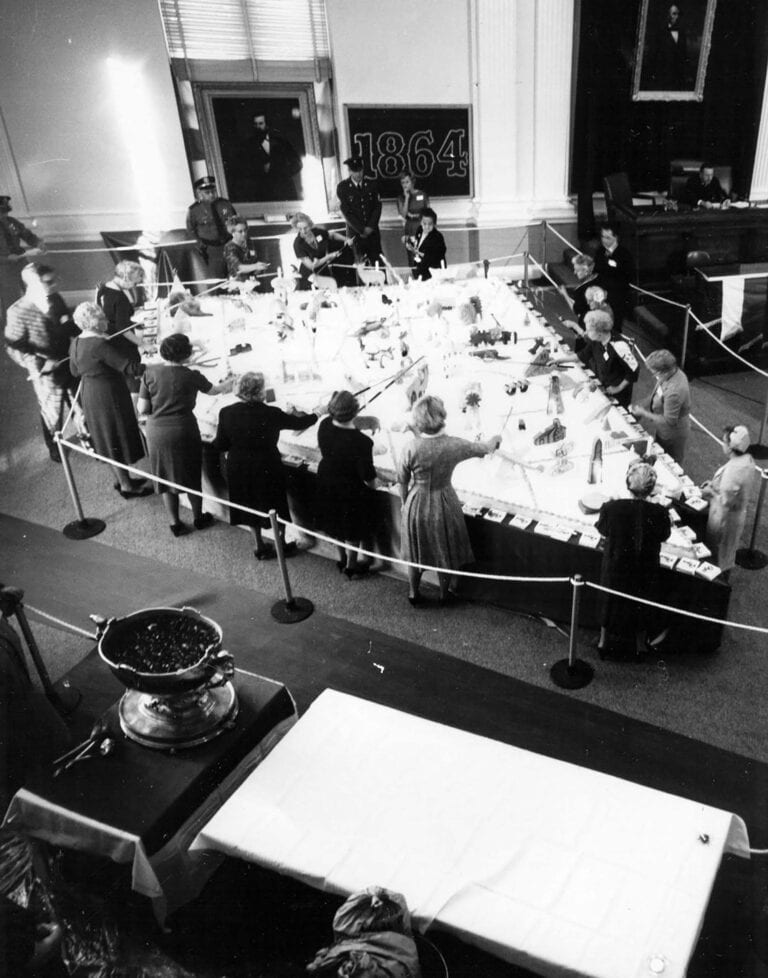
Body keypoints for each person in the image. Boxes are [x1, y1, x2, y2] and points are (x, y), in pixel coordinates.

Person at [398, 394, 501, 606]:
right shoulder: (454, 445)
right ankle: (445, 594)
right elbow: (484, 448)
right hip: (444, 501)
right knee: (444, 551)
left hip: (416, 502)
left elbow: (402, 480)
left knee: (416, 551)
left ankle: (413, 593)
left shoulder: (410, 447)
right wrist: (495, 440)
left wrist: (404, 503)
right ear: (442, 417)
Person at [213, 371, 318, 560]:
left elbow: (221, 444)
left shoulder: (226, 412)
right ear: (260, 391)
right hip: (267, 464)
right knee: (275, 504)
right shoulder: (271, 413)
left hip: (239, 466)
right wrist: (318, 412)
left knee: (249, 504)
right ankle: (281, 543)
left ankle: (258, 545)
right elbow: (299, 422)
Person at [137, 332, 232, 537]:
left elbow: (142, 409)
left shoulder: (150, 373)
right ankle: (198, 517)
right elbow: (215, 390)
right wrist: (230, 383)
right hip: (184, 429)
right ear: (187, 354)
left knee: (164, 479)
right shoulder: (191, 376)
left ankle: (175, 523)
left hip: (157, 432)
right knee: (191, 476)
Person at [69, 302, 151, 497]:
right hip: (109, 394)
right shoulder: (99, 344)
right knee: (116, 435)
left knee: (107, 437)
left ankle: (121, 479)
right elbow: (129, 368)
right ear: (93, 323)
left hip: (90, 393)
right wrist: (154, 364)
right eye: (102, 318)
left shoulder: (77, 342)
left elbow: (74, 371)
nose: (106, 320)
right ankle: (127, 486)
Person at [4, 263, 81, 462]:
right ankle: (54, 447)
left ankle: (88, 438)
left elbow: (68, 324)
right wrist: (42, 362)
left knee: (79, 402)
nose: (54, 285)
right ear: (32, 284)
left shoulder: (55, 298)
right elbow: (14, 345)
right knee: (52, 410)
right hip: (45, 369)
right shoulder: (17, 311)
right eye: (48, 282)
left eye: (55, 280)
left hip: (67, 360)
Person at [596, 461, 671, 658]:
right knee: (642, 602)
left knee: (609, 601)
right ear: (651, 489)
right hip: (644, 568)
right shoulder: (660, 513)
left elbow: (602, 529)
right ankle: (640, 645)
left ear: (628, 484)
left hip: (616, 566)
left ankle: (604, 641)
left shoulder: (611, 508)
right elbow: (664, 535)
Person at [317, 390, 384, 578]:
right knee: (352, 530)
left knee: (335, 522)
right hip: (349, 488)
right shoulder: (362, 442)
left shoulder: (324, 425)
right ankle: (351, 565)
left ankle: (341, 558)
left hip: (327, 478)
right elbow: (369, 477)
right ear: (354, 413)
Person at [701, 424, 757, 576]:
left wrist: (710, 492)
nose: (722, 444)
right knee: (727, 552)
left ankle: (718, 585)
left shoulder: (734, 470)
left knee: (718, 554)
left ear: (731, 447)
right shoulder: (746, 460)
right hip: (735, 516)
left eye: (724, 441)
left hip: (724, 518)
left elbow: (725, 501)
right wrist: (714, 485)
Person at [631, 349, 691, 464]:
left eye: (655, 373)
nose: (654, 376)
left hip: (673, 433)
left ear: (665, 371)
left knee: (670, 462)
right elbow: (657, 395)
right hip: (662, 428)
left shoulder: (675, 391)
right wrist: (642, 403)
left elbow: (670, 421)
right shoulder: (669, 375)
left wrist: (644, 413)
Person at [96, 260, 145, 391]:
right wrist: (143, 344)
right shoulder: (119, 297)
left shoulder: (104, 288)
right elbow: (123, 329)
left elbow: (110, 317)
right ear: (125, 277)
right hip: (122, 344)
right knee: (133, 375)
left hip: (109, 339)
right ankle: (140, 402)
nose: (137, 284)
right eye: (136, 281)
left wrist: (132, 324)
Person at [575, 309, 638, 408]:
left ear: (599, 332)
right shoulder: (597, 340)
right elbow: (582, 355)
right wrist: (558, 361)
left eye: (589, 330)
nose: (586, 332)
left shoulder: (619, 345)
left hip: (617, 393)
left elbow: (634, 370)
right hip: (604, 385)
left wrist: (618, 388)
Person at [185, 175, 238, 283]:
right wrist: (200, 245)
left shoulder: (225, 204)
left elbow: (236, 223)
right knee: (218, 279)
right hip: (210, 249)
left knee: (236, 276)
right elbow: (191, 230)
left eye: (213, 191)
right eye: (207, 192)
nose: (211, 194)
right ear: (199, 194)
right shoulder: (194, 210)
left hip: (229, 245)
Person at [0, 194, 45, 313]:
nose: (4, 216)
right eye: (1, 212)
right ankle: (11, 328)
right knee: (11, 299)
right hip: (4, 269)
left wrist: (38, 243)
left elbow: (27, 235)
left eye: (5, 212)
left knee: (32, 292)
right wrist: (6, 258)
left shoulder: (11, 222)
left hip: (21, 262)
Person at [336, 156, 382, 266]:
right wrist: (361, 230)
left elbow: (377, 207)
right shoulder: (343, 187)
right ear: (350, 171)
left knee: (378, 263)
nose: (358, 174)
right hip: (355, 233)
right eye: (355, 171)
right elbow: (346, 212)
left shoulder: (372, 184)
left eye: (360, 170)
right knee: (360, 265)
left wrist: (370, 227)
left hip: (372, 233)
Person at [290, 212, 351, 290]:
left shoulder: (317, 232)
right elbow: (311, 266)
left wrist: (346, 239)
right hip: (310, 276)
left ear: (310, 225)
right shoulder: (298, 244)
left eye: (305, 228)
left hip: (324, 270)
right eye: (300, 229)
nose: (303, 231)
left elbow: (332, 235)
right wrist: (328, 257)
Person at [250, 112, 303, 200]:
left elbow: (297, 164)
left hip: (284, 192)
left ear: (266, 124)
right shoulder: (249, 146)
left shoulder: (281, 142)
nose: (258, 127)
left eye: (261, 123)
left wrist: (280, 171)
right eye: (255, 124)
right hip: (264, 195)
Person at [593, 223, 635, 326]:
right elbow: (596, 271)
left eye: (607, 237)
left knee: (614, 326)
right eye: (602, 236)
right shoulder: (600, 251)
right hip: (600, 295)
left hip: (616, 298)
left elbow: (626, 277)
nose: (603, 240)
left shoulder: (624, 254)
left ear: (615, 238)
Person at [222, 217, 270, 284]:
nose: (244, 234)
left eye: (245, 230)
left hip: (251, 283)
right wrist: (256, 266)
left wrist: (259, 269)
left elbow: (253, 263)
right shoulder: (229, 247)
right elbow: (239, 268)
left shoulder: (249, 242)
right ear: (233, 232)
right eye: (240, 231)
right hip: (236, 286)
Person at [396, 173, 429, 266]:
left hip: (422, 227)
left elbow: (428, 212)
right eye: (403, 183)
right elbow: (403, 214)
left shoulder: (422, 194)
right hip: (410, 228)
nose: (405, 185)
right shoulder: (400, 198)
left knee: (424, 255)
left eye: (407, 182)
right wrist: (406, 198)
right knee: (412, 257)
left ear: (412, 182)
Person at [407, 208, 447, 281]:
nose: (427, 226)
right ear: (420, 222)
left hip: (432, 272)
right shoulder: (419, 230)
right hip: (419, 269)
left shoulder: (437, 237)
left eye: (430, 224)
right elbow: (418, 244)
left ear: (434, 224)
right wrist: (411, 244)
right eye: (424, 224)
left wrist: (416, 251)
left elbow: (433, 256)